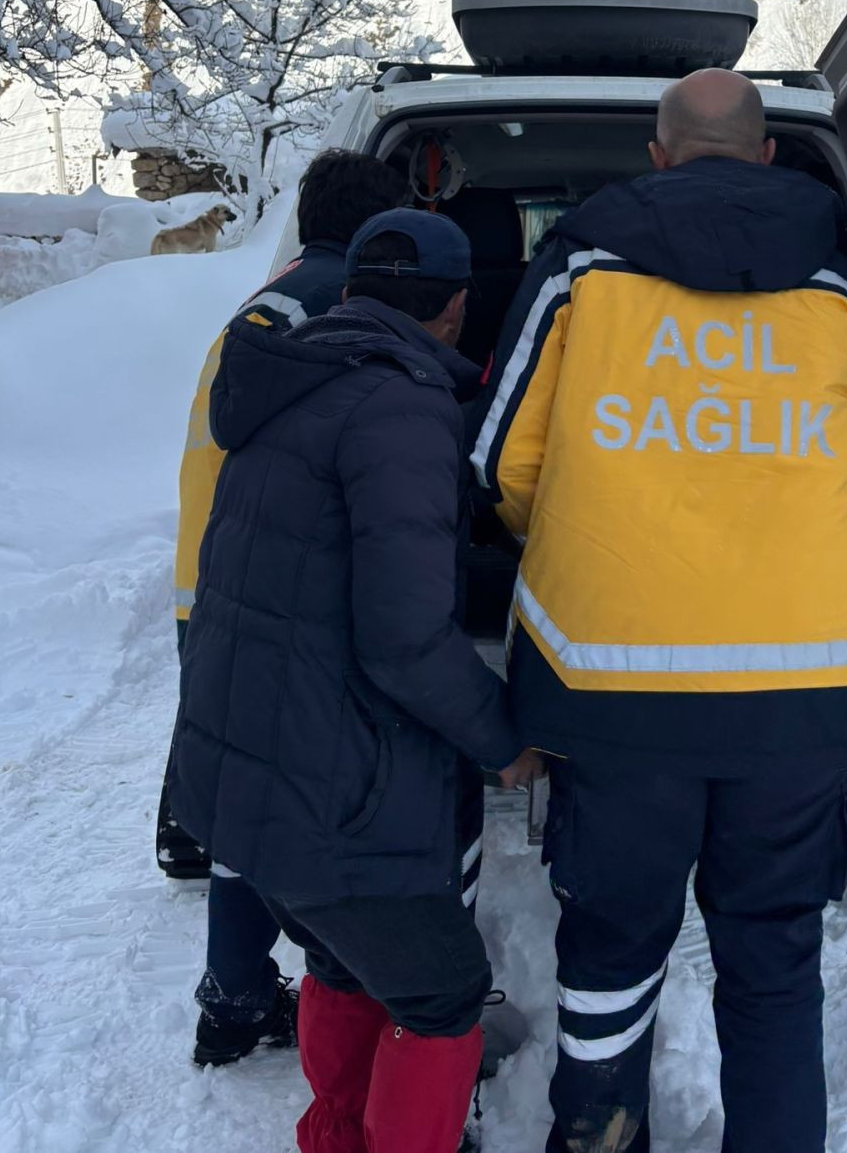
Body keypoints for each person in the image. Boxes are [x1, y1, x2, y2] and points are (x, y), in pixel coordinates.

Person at [472, 69, 847, 1153]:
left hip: (612, 680)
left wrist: (592, 529)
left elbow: (505, 458)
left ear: (656, 156)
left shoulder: (579, 273)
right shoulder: (839, 289)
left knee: (612, 943)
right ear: (768, 156)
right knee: (773, 956)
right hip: (813, 683)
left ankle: (596, 1132)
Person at [170, 208, 539, 1153]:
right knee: (443, 994)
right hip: (333, 781)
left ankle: (336, 1131)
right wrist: (505, 742)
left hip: (249, 761)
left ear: (347, 291)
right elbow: (406, 638)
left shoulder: (292, 381)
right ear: (458, 310)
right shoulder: (403, 404)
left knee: (339, 957)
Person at [162, 149, 410, 1068]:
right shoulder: (343, 310)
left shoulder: (266, 303)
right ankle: (329, 991)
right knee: (311, 801)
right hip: (274, 597)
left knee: (243, 801)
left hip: (208, 583)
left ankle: (233, 996)